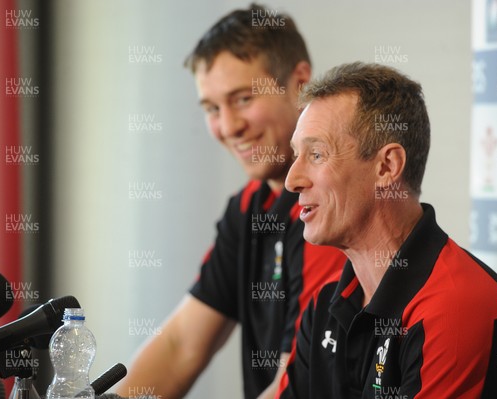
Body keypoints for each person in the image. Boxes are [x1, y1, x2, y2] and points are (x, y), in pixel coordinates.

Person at [277, 62, 497, 398]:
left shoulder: (455, 308)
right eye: (296, 155)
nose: (292, 180)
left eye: (316, 155)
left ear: (387, 166)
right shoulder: (324, 308)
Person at [116, 4, 347, 399]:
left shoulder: (327, 210)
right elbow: (179, 346)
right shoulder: (248, 208)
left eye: (242, 99)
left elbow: (295, 385)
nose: (227, 127)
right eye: (211, 108)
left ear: (300, 84)